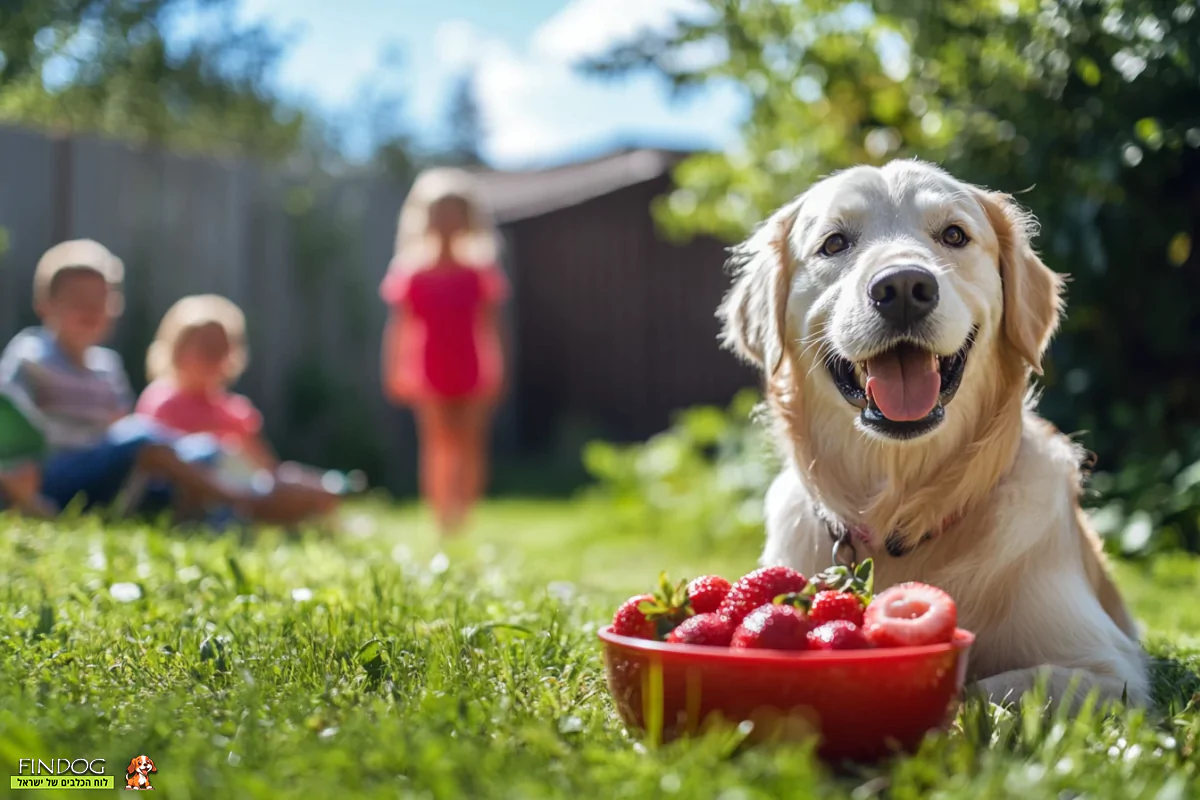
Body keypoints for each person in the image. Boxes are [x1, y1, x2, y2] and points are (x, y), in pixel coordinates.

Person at [0, 239, 299, 525]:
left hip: (104, 483)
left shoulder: (106, 366)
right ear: (45, 305)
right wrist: (20, 490)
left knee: (205, 450)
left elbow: (117, 429)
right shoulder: (32, 356)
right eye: (78, 300)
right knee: (142, 438)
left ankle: (223, 515)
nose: (91, 310)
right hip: (53, 476)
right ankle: (247, 502)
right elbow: (8, 423)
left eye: (100, 301)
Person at [135, 294, 361, 520]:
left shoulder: (233, 411)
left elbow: (267, 467)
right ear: (177, 350)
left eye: (221, 349)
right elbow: (153, 466)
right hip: (189, 496)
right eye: (205, 347)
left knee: (300, 485)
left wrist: (305, 483)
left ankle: (325, 506)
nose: (213, 357)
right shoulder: (162, 402)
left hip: (246, 488)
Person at [380, 168, 509, 535]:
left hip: (470, 366)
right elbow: (399, 328)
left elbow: (492, 326)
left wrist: (498, 369)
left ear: (469, 220)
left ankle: (464, 514)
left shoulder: (480, 272)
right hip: (429, 367)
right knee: (437, 443)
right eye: (440, 214)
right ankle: (441, 517)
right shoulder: (411, 273)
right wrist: (394, 371)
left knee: (469, 443)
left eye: (455, 213)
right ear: (424, 219)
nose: (447, 222)